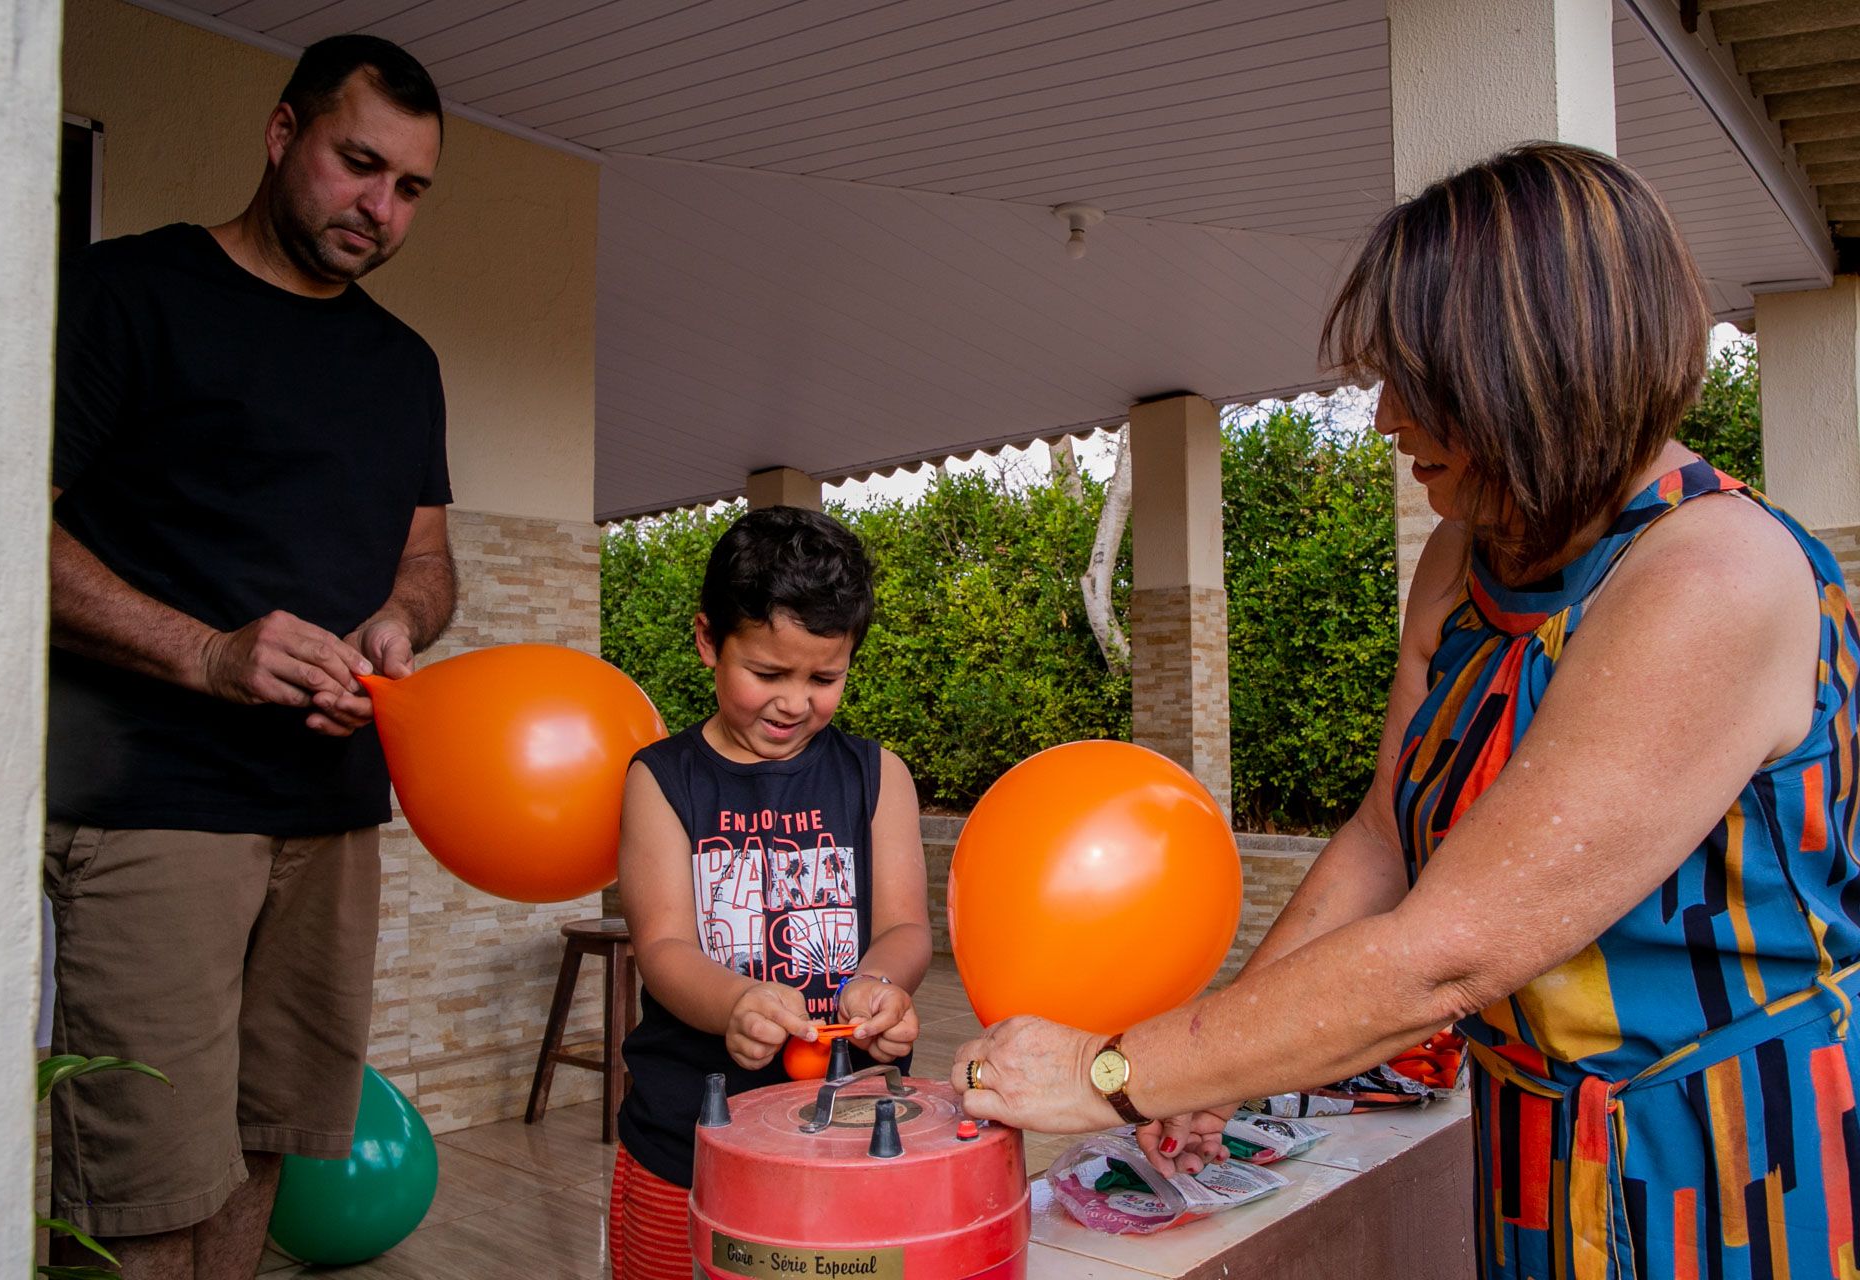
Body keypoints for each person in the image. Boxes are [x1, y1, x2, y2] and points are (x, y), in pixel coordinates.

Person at [952, 142, 1860, 1278]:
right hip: (1536, 1141)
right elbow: (1386, 834)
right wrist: (1226, 1058)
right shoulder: (1461, 559)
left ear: (1533, 372)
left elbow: (1447, 954)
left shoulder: (1713, 579)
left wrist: (1113, 1071)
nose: (1383, 415)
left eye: (1416, 381)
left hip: (1729, 1162)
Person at [45, 34, 456, 1279]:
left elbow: (427, 563)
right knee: (142, 1186)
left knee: (265, 1146)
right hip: (154, 803)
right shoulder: (125, 293)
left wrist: (402, 620)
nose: (378, 210)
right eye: (357, 164)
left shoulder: (403, 364)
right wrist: (213, 654)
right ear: (283, 135)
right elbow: (8, 531)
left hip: (330, 815)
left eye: (410, 190)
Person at [611, 506, 933, 1278]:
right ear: (705, 641)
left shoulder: (876, 775)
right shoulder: (660, 781)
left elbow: (906, 927)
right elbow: (661, 946)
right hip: (684, 1137)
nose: (795, 703)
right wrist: (734, 1004)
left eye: (825, 678)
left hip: (852, 1134)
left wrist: (879, 985)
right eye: (767, 674)